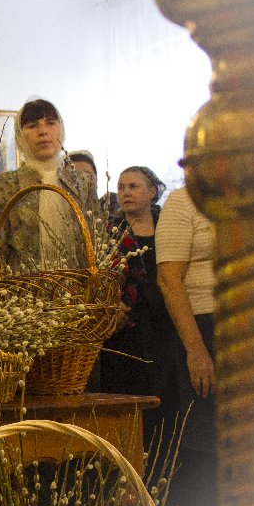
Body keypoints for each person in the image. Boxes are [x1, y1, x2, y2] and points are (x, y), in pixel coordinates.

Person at [156, 185, 217, 506]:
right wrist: (195, 349)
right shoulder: (184, 201)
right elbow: (169, 279)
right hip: (206, 330)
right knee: (212, 446)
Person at [99, 166, 178, 442]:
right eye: (121, 187)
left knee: (164, 405)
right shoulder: (110, 230)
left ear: (152, 191)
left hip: (164, 326)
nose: (125, 193)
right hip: (126, 328)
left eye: (133, 186)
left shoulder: (168, 226)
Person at [0, 99, 102, 273]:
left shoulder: (82, 183)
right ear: (20, 136)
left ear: (61, 129)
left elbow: (96, 244)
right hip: (22, 287)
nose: (43, 131)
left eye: (50, 123)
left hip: (77, 286)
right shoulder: (4, 185)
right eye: (32, 126)